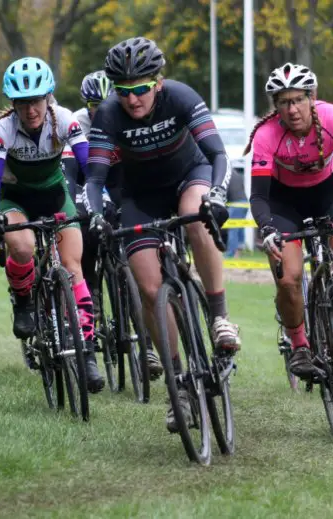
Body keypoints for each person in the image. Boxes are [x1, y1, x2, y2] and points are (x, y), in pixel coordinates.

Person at [83, 37, 241, 431]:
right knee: (150, 288)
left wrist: (216, 195)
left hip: (190, 175)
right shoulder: (108, 115)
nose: (133, 100)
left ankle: (219, 315)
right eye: (123, 91)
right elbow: (96, 177)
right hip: (141, 196)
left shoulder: (181, 97)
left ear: (158, 81)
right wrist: (97, 212)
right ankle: (178, 383)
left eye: (140, 89)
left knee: (195, 215)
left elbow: (219, 154)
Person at [245, 62, 333, 386]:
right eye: (284, 102)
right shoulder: (267, 135)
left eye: (298, 100)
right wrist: (267, 228)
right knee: (289, 279)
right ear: (276, 106)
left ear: (312, 98)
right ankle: (300, 347)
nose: (292, 109)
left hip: (330, 193)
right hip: (285, 204)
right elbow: (258, 196)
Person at [0, 57, 105, 393]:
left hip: (54, 194)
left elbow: (86, 163)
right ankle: (23, 300)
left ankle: (87, 351)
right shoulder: (3, 130)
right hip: (15, 199)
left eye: (35, 100)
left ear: (47, 97)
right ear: (13, 104)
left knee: (73, 265)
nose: (30, 109)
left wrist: (96, 202)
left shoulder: (64, 120)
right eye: (22, 103)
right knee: (21, 246)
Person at [72, 69, 163, 379]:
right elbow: (80, 176)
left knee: (136, 265)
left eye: (105, 102)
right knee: (87, 236)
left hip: (123, 183)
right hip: (90, 183)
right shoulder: (78, 124)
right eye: (93, 105)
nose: (99, 111)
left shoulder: (126, 116)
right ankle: (92, 298)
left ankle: (147, 343)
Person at [224, 168, 248, 258]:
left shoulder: (226, 174)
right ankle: (238, 253)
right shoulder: (237, 174)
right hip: (245, 202)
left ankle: (230, 253)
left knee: (233, 229)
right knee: (240, 228)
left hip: (235, 203)